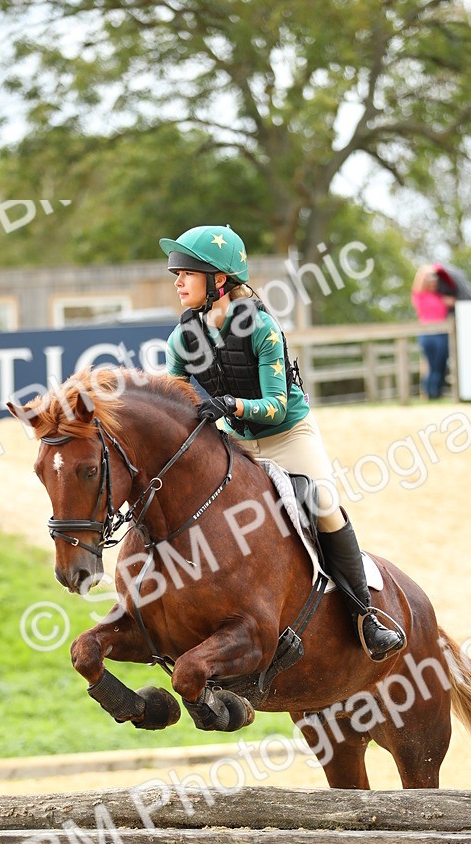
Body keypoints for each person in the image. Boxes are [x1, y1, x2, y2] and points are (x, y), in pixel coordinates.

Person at [159, 224, 406, 662]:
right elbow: (174, 400)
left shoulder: (262, 328)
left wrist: (229, 405)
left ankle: (366, 617)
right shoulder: (182, 339)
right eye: (177, 274)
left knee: (324, 505)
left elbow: (275, 406)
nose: (178, 282)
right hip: (237, 441)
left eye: (187, 274)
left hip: (288, 435)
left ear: (218, 280)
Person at [411, 265, 455, 400]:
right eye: (430, 278)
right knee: (432, 365)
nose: (433, 280)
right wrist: (432, 269)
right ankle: (431, 393)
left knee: (441, 365)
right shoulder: (420, 296)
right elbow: (419, 280)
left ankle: (437, 392)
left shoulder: (440, 297)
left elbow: (455, 300)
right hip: (427, 334)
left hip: (442, 333)